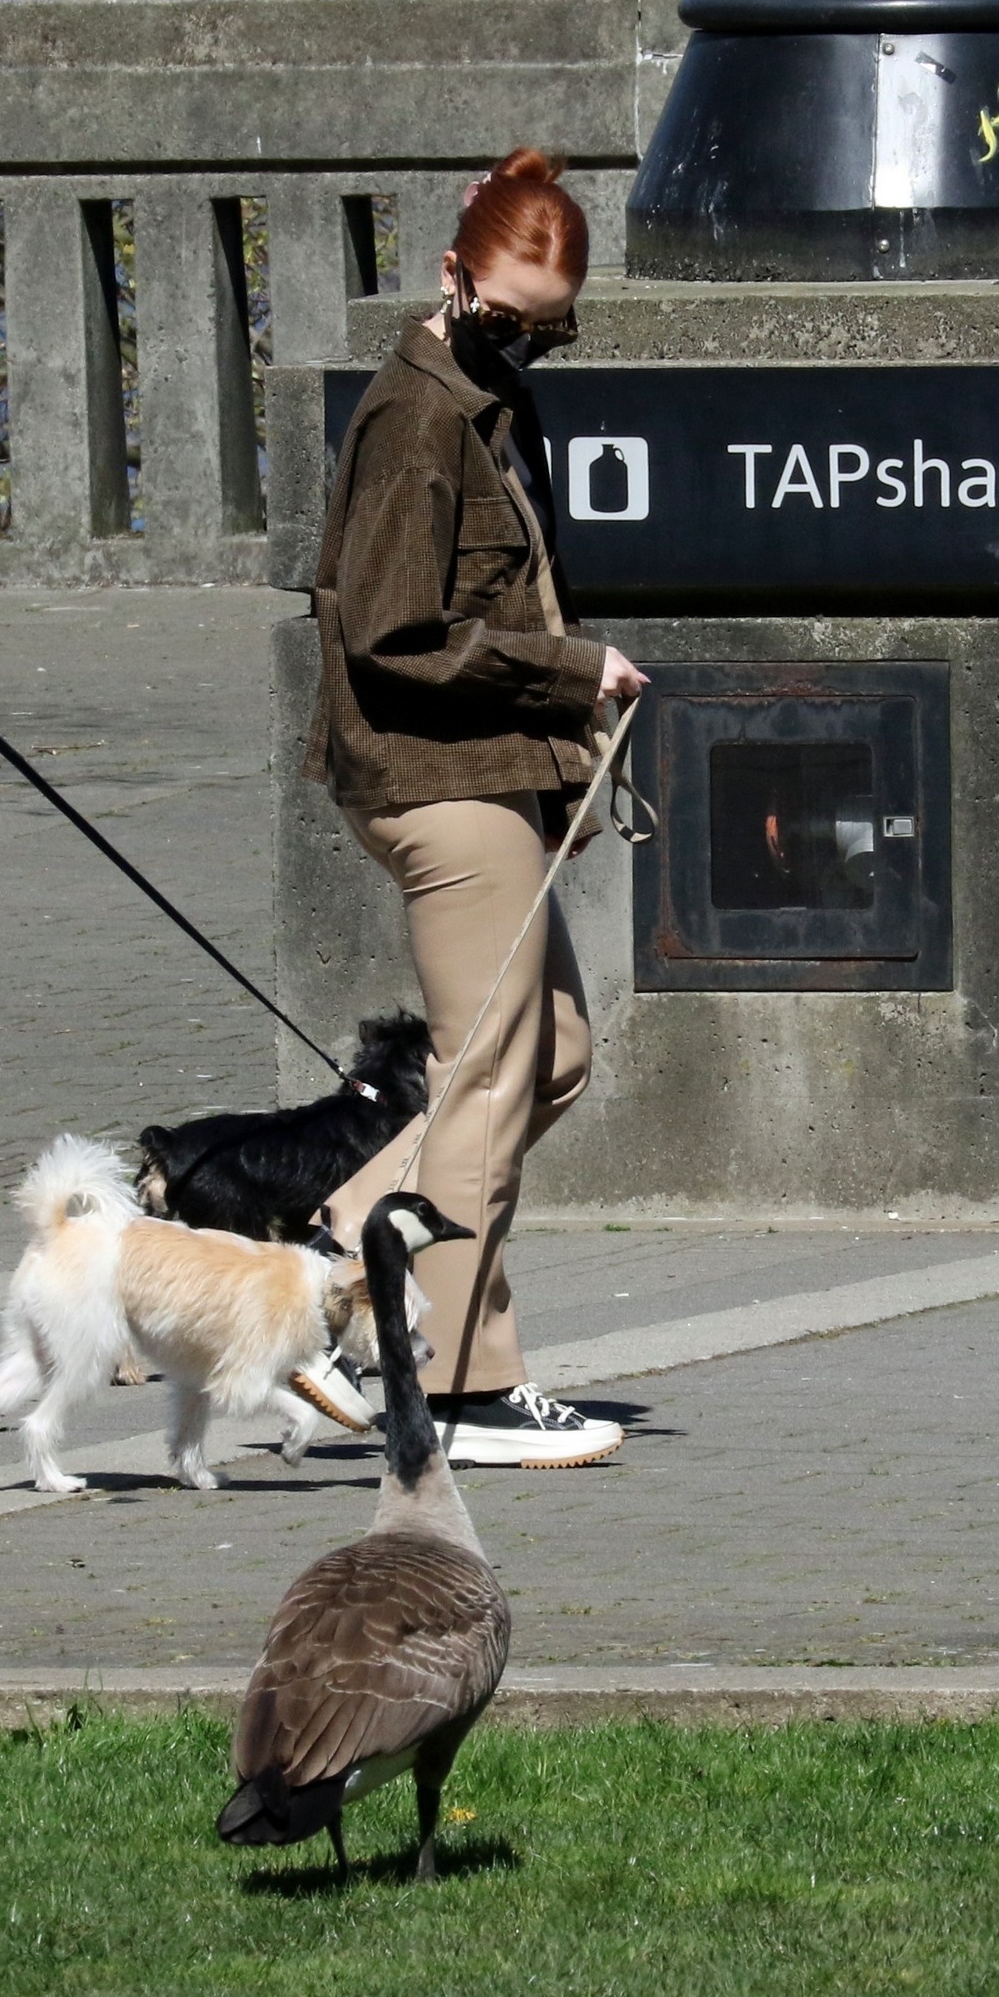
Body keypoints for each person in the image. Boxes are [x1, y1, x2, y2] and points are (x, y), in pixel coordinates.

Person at [305, 148, 647, 1471]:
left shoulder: (486, 399)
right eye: (507, 316)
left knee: (549, 1056)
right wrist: (570, 670)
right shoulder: (420, 418)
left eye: (551, 328)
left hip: (490, 771)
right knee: (491, 1071)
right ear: (452, 275)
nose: (526, 342)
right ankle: (456, 1383)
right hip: (438, 776)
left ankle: (338, 1247)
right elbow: (394, 633)